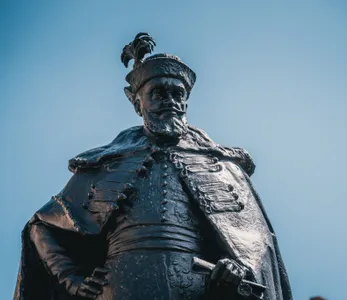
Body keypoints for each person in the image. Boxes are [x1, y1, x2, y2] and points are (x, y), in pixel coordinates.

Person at [14, 33, 292, 300]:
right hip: (120, 286)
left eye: (177, 94)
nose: (170, 101)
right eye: (158, 93)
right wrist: (71, 280)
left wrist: (238, 267)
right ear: (138, 103)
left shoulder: (221, 166)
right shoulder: (107, 164)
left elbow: (255, 240)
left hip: (197, 288)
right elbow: (42, 225)